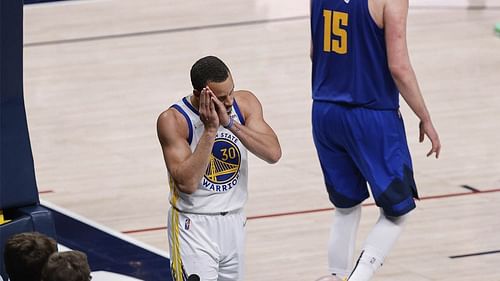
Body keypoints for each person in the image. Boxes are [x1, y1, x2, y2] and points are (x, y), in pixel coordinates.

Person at [310, 0, 441, 280]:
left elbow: (314, 52)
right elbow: (399, 67)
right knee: (398, 211)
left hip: (324, 111)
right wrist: (425, 116)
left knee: (345, 208)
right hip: (371, 115)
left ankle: (335, 277)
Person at [157, 56, 281, 281]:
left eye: (231, 92)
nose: (230, 101)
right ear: (199, 94)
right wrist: (210, 130)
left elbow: (273, 153)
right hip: (194, 226)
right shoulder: (173, 120)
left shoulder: (245, 104)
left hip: (234, 221)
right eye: (221, 97)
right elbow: (188, 183)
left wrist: (231, 124)